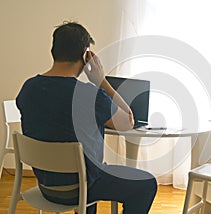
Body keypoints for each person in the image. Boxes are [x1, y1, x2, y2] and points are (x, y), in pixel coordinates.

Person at [16, 22, 157, 214]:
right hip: (81, 188)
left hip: (46, 186)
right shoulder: (89, 96)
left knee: (88, 168)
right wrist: (101, 81)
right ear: (85, 54)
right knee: (146, 184)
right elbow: (128, 122)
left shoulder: (28, 88)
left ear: (53, 50)